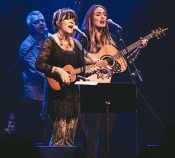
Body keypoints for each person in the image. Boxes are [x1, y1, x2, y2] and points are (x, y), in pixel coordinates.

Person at [76, 4, 148, 158]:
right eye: (98, 14)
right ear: (90, 17)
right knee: (93, 130)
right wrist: (97, 64)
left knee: (106, 132)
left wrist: (138, 49)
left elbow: (122, 64)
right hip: (92, 87)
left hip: (111, 88)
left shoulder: (113, 39)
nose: (103, 17)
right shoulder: (84, 38)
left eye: (104, 14)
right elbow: (76, 59)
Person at [35, 8, 101, 146]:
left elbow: (80, 71)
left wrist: (96, 69)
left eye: (74, 19)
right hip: (57, 95)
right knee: (59, 137)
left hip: (72, 95)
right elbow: (39, 64)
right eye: (68, 18)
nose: (72, 21)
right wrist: (58, 70)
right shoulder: (51, 41)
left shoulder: (76, 44)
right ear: (58, 22)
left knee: (69, 139)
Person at [19, 10, 52, 143]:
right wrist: (59, 78)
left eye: (42, 20)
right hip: (35, 95)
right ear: (30, 27)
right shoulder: (26, 45)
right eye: (37, 22)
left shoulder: (51, 38)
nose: (41, 23)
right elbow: (37, 71)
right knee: (36, 134)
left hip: (52, 94)